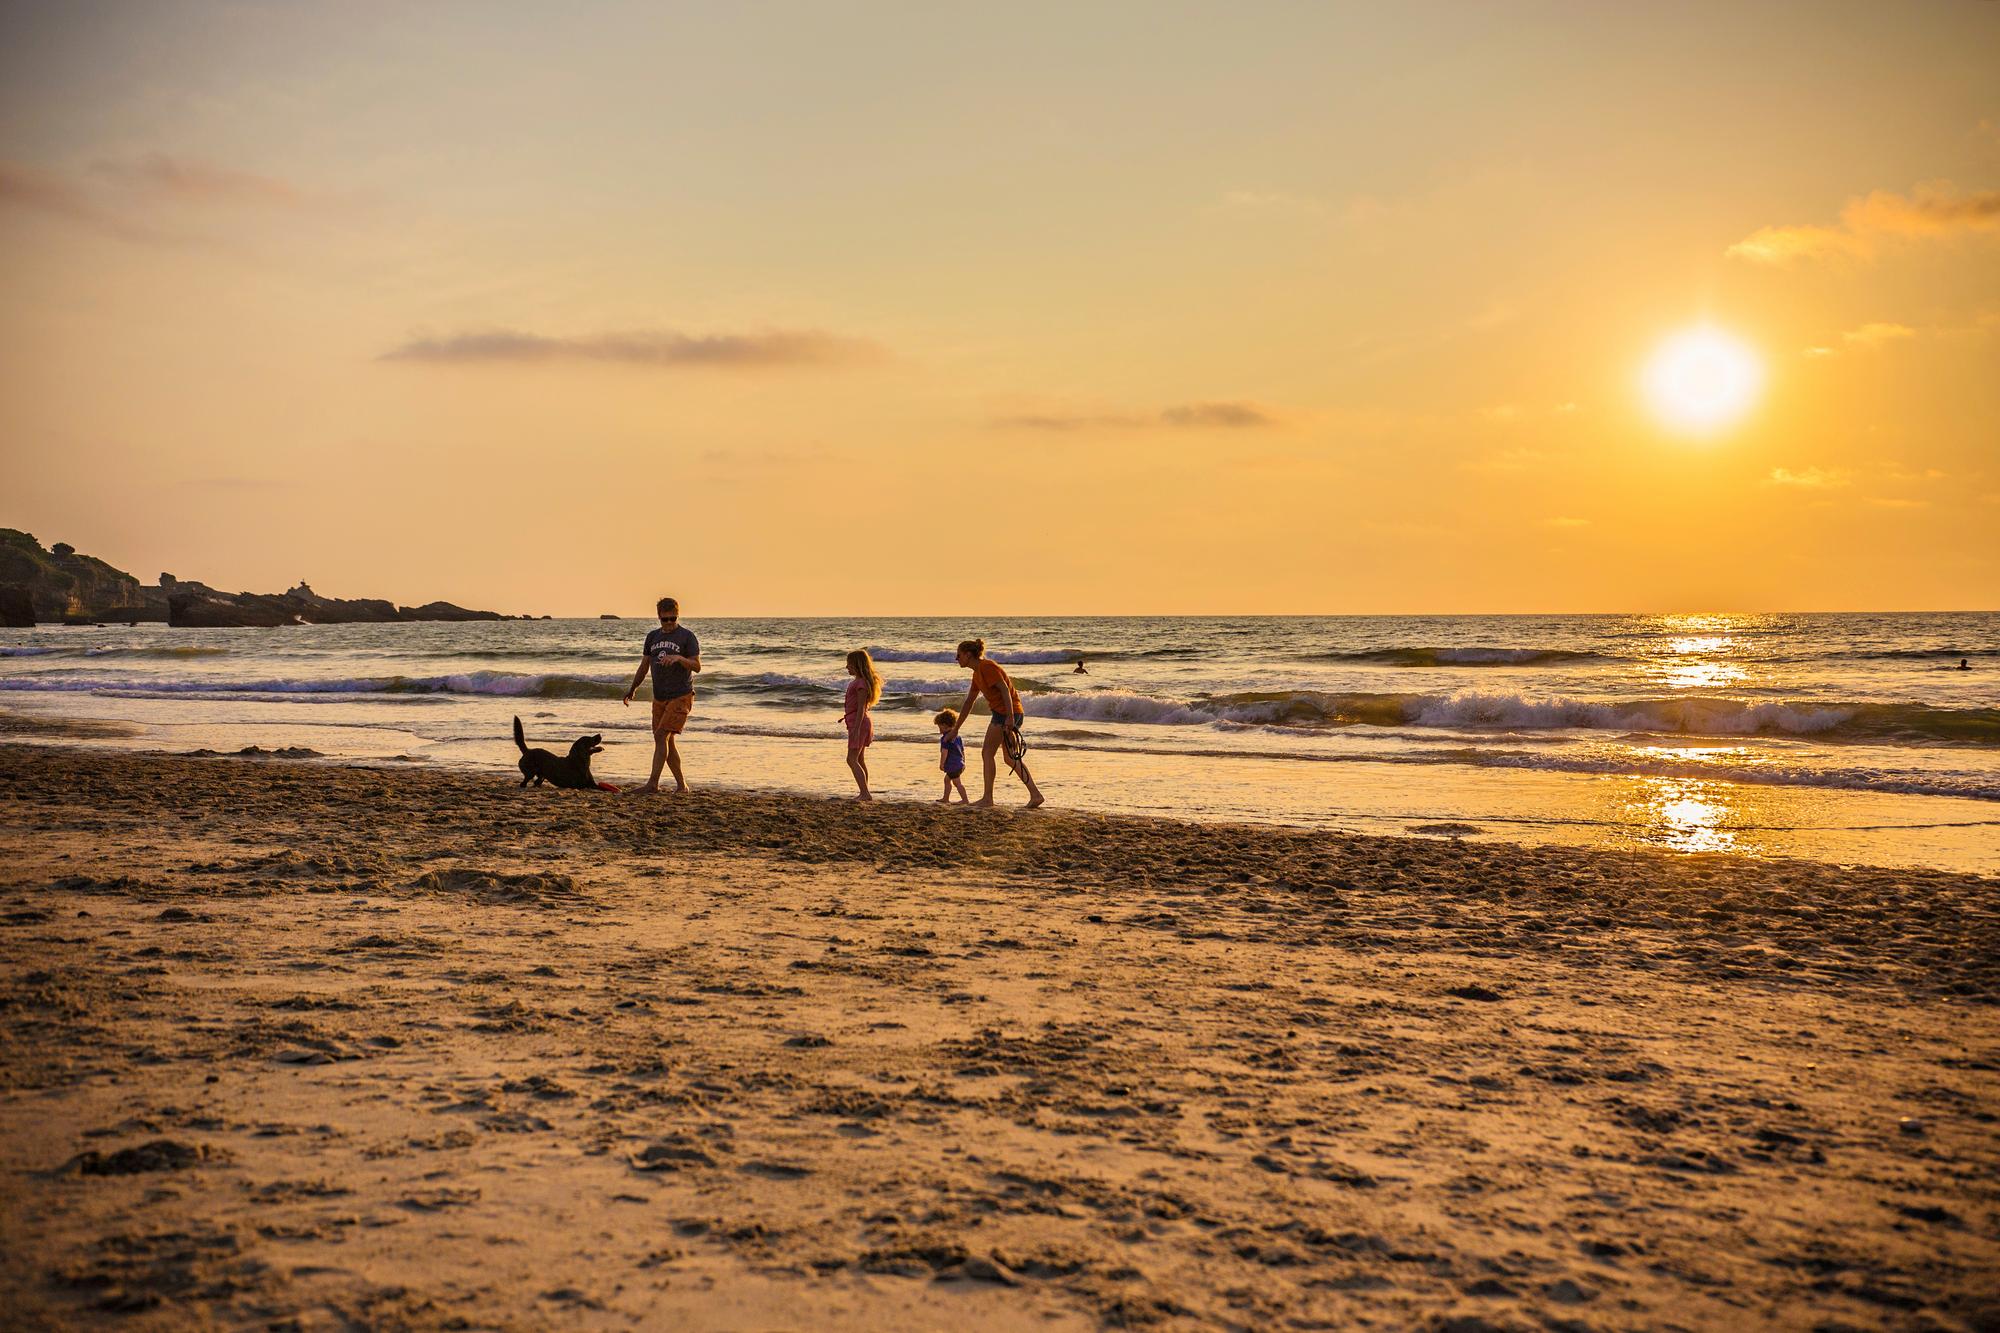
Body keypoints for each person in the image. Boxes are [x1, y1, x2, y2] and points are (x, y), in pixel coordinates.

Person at [947, 637, 1045, 808]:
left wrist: (1010, 717)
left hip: (1006, 714)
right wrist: (956, 729)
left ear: (968, 655)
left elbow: (1005, 690)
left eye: (959, 655)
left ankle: (987, 798)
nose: (957, 659)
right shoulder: (977, 674)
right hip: (1006, 714)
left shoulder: (987, 666)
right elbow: (969, 702)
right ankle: (1036, 795)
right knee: (1010, 758)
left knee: (987, 753)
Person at [622, 597, 700, 793]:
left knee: (661, 735)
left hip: (681, 695)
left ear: (678, 615)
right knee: (666, 740)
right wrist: (633, 688)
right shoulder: (652, 637)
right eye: (665, 619)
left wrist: (679, 658)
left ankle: (652, 784)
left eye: (673, 618)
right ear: (659, 617)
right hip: (659, 697)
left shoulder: (687, 637)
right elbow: (644, 666)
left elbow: (697, 666)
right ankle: (682, 786)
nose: (669, 623)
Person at [842, 649, 880, 800]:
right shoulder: (859, 682)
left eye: (849, 664)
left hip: (859, 723)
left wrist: (856, 729)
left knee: (851, 759)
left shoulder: (861, 684)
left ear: (857, 665)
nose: (847, 667)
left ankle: (865, 793)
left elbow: (861, 708)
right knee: (859, 759)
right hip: (859, 722)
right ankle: (864, 791)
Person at [934, 709, 969, 803]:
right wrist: (963, 761)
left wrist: (942, 764)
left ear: (945, 725)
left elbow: (944, 752)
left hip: (953, 765)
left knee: (957, 783)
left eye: (940, 727)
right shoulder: (957, 737)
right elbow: (962, 750)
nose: (939, 730)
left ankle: (965, 799)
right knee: (947, 780)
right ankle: (946, 798)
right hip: (959, 764)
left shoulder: (945, 738)